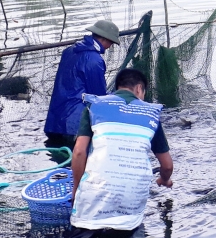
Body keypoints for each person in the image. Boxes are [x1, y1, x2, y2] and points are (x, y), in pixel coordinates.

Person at [68, 68, 173, 238]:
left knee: (85, 227)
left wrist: (76, 190)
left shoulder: (94, 106)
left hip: (93, 199)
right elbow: (167, 166)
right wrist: (164, 179)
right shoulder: (151, 114)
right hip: (131, 202)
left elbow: (79, 152)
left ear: (118, 88)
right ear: (139, 89)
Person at [44, 20, 120, 145]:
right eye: (111, 42)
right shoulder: (94, 60)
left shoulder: (69, 50)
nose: (110, 46)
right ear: (104, 39)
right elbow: (97, 96)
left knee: (59, 158)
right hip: (75, 127)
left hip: (54, 122)